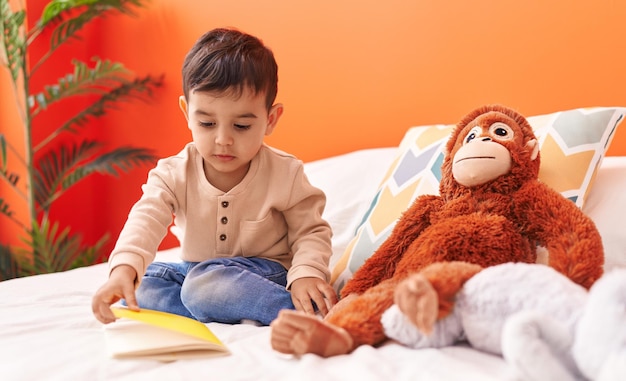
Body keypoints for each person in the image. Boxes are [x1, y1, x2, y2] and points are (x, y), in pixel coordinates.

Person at [92, 27, 337, 326]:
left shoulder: (285, 172)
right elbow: (146, 219)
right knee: (140, 286)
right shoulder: (172, 173)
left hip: (263, 273)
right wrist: (124, 270)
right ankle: (215, 306)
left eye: (241, 126)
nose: (223, 139)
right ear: (187, 112)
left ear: (270, 119)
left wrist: (305, 275)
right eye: (207, 123)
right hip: (198, 272)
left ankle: (305, 312)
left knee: (203, 286)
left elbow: (311, 233)